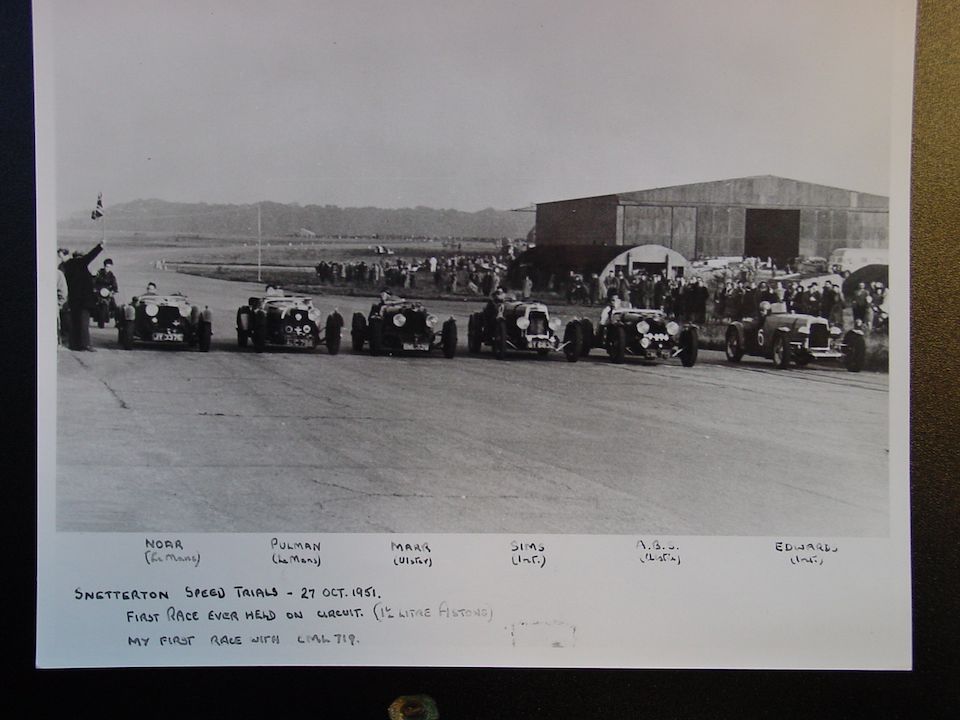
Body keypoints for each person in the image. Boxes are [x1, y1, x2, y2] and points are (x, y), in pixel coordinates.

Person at [60, 241, 104, 351]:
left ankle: (74, 345)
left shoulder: (66, 266)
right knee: (84, 323)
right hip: (84, 300)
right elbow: (91, 255)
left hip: (73, 299)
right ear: (80, 257)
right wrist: (100, 246)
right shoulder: (81, 263)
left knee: (74, 322)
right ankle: (85, 344)